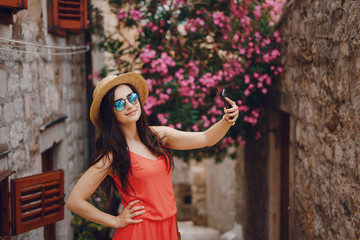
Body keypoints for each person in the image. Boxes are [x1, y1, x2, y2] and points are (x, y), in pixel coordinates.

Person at [66, 72, 239, 240]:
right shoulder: (112, 155)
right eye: (119, 103)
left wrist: (227, 120)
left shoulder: (158, 136)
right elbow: (74, 201)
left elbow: (206, 138)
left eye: (132, 98)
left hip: (169, 227)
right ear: (110, 113)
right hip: (139, 232)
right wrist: (116, 221)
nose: (129, 105)